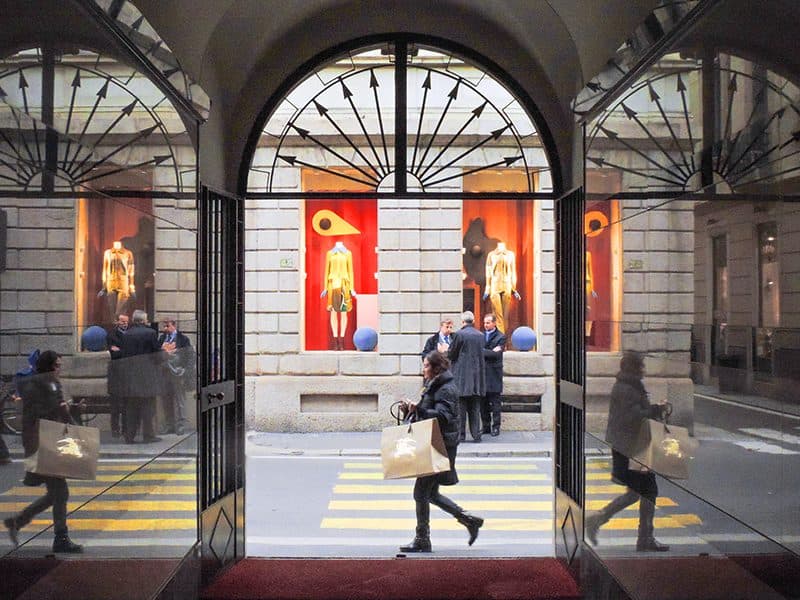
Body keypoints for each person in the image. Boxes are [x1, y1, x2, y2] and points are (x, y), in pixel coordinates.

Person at [584, 352, 671, 552]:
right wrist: (655, 410)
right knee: (647, 491)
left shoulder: (629, 385)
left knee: (638, 493)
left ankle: (639, 535)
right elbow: (631, 416)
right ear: (634, 367)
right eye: (641, 366)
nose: (644, 369)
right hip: (631, 448)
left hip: (631, 446)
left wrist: (654, 409)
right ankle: (640, 536)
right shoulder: (627, 388)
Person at [398, 351, 484, 553]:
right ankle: (469, 520)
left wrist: (418, 409)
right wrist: (412, 409)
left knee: (421, 492)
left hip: (440, 446)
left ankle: (422, 539)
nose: (423, 369)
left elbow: (444, 417)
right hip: (435, 444)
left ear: (436, 368)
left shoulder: (446, 389)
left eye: (426, 365)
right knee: (431, 493)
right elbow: (430, 411)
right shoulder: (436, 384)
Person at [3, 350, 82, 553]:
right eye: (56, 365)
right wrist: (60, 408)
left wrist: (66, 412)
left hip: (46, 441)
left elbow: (57, 411)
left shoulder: (45, 382)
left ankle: (18, 521)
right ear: (48, 366)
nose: (59, 369)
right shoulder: (42, 383)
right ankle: (60, 538)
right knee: (60, 492)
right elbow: (38, 413)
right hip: (43, 444)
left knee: (56, 493)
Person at [120, 310, 162, 444]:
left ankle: (129, 436)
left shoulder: (126, 334)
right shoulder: (151, 333)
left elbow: (124, 356)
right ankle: (148, 435)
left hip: (131, 375)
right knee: (148, 406)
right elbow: (157, 355)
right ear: (144, 320)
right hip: (147, 375)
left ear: (133, 320)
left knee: (131, 407)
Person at [448, 311, 486, 442]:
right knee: (475, 408)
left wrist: (445, 350)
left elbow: (452, 354)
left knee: (461, 408)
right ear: (473, 321)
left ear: (463, 322)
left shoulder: (459, 334)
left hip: (462, 377)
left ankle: (461, 435)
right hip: (477, 378)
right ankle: (476, 434)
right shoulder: (480, 335)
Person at [158, 318, 193, 435]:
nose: (165, 329)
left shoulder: (183, 339)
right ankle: (169, 424)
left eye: (167, 326)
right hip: (165, 373)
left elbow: (190, 356)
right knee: (166, 400)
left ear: (174, 326)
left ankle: (181, 425)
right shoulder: (162, 338)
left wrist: (185, 370)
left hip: (178, 373)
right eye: (164, 326)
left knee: (180, 400)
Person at [320, 240, 356, 350]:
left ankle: (342, 340)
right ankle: (335, 341)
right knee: (333, 312)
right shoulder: (330, 253)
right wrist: (325, 287)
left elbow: (351, 271)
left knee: (344, 312)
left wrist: (352, 288)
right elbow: (327, 271)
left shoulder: (348, 253)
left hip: (345, 284)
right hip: (333, 284)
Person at [483, 241, 520, 335]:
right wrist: (487, 288)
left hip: (507, 285)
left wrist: (514, 289)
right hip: (495, 285)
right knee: (497, 314)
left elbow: (513, 272)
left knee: (505, 315)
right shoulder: (491, 255)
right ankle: (501, 339)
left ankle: (502, 338)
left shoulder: (510, 255)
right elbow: (488, 273)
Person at [481, 313, 506, 437]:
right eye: (485, 323)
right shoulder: (480, 335)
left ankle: (496, 427)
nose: (486, 325)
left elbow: (496, 355)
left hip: (494, 374)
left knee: (495, 403)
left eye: (488, 323)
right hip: (482, 374)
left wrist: (483, 352)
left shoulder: (501, 336)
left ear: (494, 323)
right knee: (483, 403)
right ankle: (485, 426)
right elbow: (484, 352)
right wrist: (490, 351)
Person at [99, 240, 135, 323]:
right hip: (110, 282)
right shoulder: (107, 253)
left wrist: (132, 288)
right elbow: (105, 269)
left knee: (120, 311)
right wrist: (104, 287)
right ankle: (114, 328)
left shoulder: (128, 253)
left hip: (123, 282)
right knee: (111, 310)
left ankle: (121, 327)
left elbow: (131, 271)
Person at [106, 313, 129, 438]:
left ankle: (126, 429)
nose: (125, 324)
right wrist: (124, 351)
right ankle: (115, 429)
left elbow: (128, 352)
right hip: (115, 374)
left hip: (127, 374)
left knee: (126, 405)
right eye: (122, 322)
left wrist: (120, 350)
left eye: (126, 322)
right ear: (117, 322)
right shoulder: (111, 335)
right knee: (115, 406)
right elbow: (113, 354)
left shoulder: (131, 333)